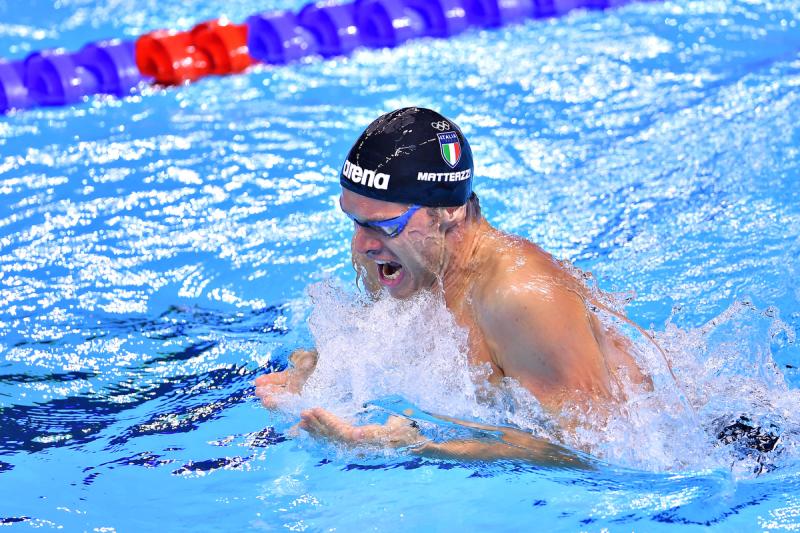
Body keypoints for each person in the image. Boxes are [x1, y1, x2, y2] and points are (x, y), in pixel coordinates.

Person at [255, 107, 651, 461]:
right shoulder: (394, 257)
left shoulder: (520, 298)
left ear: (449, 211)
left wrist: (422, 445)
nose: (361, 245)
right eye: (354, 220)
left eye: (384, 225)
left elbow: (600, 448)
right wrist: (323, 372)